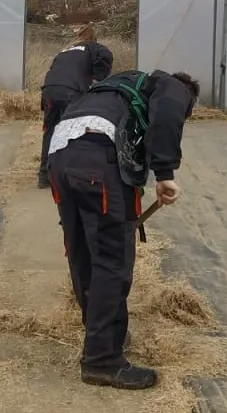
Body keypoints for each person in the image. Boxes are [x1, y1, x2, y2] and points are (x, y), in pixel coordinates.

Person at [46, 69, 200, 389]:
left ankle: (104, 334)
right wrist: (165, 173)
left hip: (60, 153)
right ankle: (101, 360)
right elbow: (168, 113)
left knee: (84, 254)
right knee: (112, 260)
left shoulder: (116, 86)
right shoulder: (171, 86)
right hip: (95, 157)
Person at [37, 24, 114, 189]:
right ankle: (71, 175)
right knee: (74, 132)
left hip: (49, 91)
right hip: (71, 92)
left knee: (50, 131)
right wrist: (98, 78)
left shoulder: (64, 51)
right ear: (93, 38)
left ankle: (44, 176)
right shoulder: (92, 47)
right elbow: (106, 55)